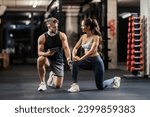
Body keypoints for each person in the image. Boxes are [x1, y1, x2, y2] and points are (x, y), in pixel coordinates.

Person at [68, 18, 121, 92]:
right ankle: (75, 85)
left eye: (83, 26)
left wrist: (80, 59)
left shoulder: (96, 37)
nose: (81, 27)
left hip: (96, 62)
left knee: (100, 86)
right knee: (74, 62)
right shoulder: (83, 37)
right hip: (87, 61)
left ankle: (114, 79)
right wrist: (74, 56)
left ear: (88, 27)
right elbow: (75, 48)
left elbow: (92, 51)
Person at [37, 17, 71, 91]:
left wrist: (69, 59)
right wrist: (47, 53)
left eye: (57, 26)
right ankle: (42, 83)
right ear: (49, 26)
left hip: (58, 61)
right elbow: (39, 52)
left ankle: (52, 75)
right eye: (55, 27)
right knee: (40, 59)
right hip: (48, 59)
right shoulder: (42, 37)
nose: (57, 28)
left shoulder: (62, 35)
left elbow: (66, 48)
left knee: (58, 86)